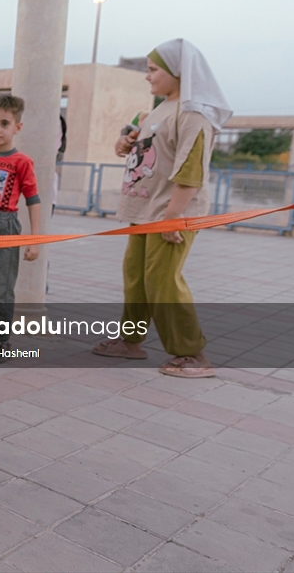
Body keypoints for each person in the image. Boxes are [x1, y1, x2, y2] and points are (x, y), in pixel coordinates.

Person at [92, 39, 230, 378]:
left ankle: (192, 354)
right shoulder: (156, 111)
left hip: (171, 213)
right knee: (137, 277)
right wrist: (123, 143)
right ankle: (130, 342)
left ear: (177, 71)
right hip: (144, 211)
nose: (147, 77)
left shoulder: (193, 113)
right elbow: (130, 144)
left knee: (163, 281)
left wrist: (174, 216)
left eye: (153, 70)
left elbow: (191, 169)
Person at [0, 95, 41, 363]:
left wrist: (34, 240)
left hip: (6, 226)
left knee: (0, 287)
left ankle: (1, 341)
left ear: (17, 127)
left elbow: (33, 200)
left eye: (5, 123)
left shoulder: (22, 161)